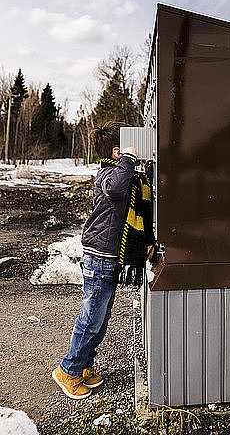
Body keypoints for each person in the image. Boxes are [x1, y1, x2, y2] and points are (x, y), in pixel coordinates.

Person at [52, 121, 155, 400]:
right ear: (117, 151)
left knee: (101, 317)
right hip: (99, 256)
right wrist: (128, 161)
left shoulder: (123, 174)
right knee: (91, 318)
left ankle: (84, 365)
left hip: (109, 256)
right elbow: (116, 190)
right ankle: (68, 370)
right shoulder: (108, 174)